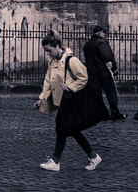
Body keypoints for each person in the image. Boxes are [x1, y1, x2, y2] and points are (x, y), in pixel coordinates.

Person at [36, 33, 104, 172]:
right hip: (62, 101)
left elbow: (83, 77)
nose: (48, 54)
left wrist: (70, 87)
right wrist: (42, 98)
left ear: (57, 46)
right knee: (72, 129)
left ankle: (55, 161)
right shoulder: (52, 62)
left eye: (49, 50)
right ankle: (93, 156)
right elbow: (48, 81)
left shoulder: (71, 60)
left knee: (61, 128)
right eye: (46, 51)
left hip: (71, 100)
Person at [83, 26, 123, 120]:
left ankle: (99, 113)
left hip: (92, 73)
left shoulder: (87, 44)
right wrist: (114, 69)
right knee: (111, 93)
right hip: (104, 73)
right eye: (104, 32)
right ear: (100, 33)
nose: (105, 34)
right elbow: (107, 57)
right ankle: (114, 112)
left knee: (96, 95)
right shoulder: (101, 43)